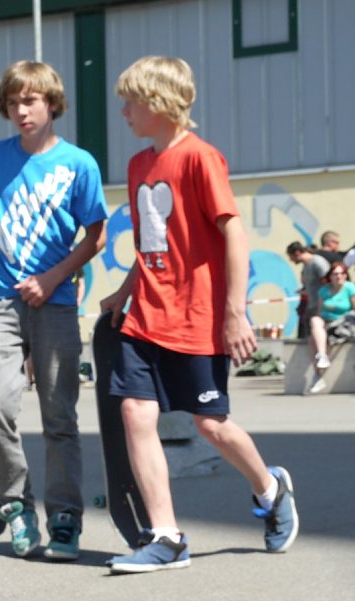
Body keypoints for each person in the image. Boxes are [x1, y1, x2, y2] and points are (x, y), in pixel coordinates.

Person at [100, 55, 297, 574]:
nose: (123, 111)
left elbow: (233, 232)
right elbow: (151, 242)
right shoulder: (139, 165)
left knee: (211, 424)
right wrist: (124, 291)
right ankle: (166, 537)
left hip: (197, 316)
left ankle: (271, 488)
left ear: (159, 102)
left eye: (130, 101)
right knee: (135, 413)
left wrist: (236, 312)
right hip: (145, 314)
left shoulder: (200, 158)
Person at [0, 60, 108, 561]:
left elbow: (96, 237)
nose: (22, 111)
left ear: (51, 104)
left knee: (58, 414)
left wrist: (53, 278)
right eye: (14, 102)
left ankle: (65, 519)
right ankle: (16, 506)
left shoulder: (79, 164)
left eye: (32, 101)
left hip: (56, 302)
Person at [307, 262, 355, 394]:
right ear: (330, 276)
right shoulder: (324, 290)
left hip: (345, 323)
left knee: (315, 339)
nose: (338, 276)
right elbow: (319, 311)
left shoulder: (351, 289)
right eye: (335, 274)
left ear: (346, 275)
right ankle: (321, 360)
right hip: (328, 322)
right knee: (314, 327)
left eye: (341, 273)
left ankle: (318, 375)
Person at [286, 241, 330, 338]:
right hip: (312, 306)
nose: (290, 260)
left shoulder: (318, 262)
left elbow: (328, 283)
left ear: (297, 253)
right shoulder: (306, 265)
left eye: (291, 256)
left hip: (321, 307)